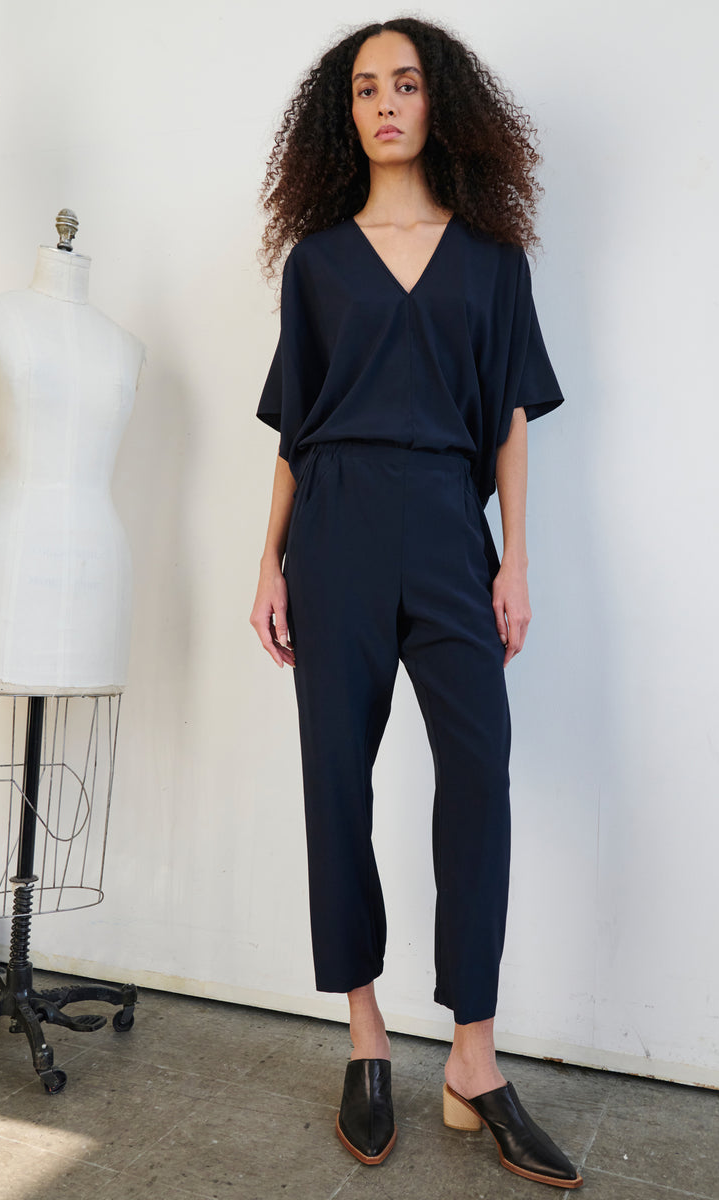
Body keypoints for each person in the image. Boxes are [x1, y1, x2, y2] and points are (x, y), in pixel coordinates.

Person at [251, 17, 581, 1189]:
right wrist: (268, 560)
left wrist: (517, 559)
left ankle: (474, 1062)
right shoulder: (319, 263)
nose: (384, 103)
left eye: (404, 84)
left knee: (476, 779)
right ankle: (369, 1035)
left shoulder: (492, 260)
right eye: (362, 90)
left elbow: (509, 421)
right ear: (342, 118)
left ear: (440, 102)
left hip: (450, 531)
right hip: (333, 531)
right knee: (335, 778)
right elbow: (295, 426)